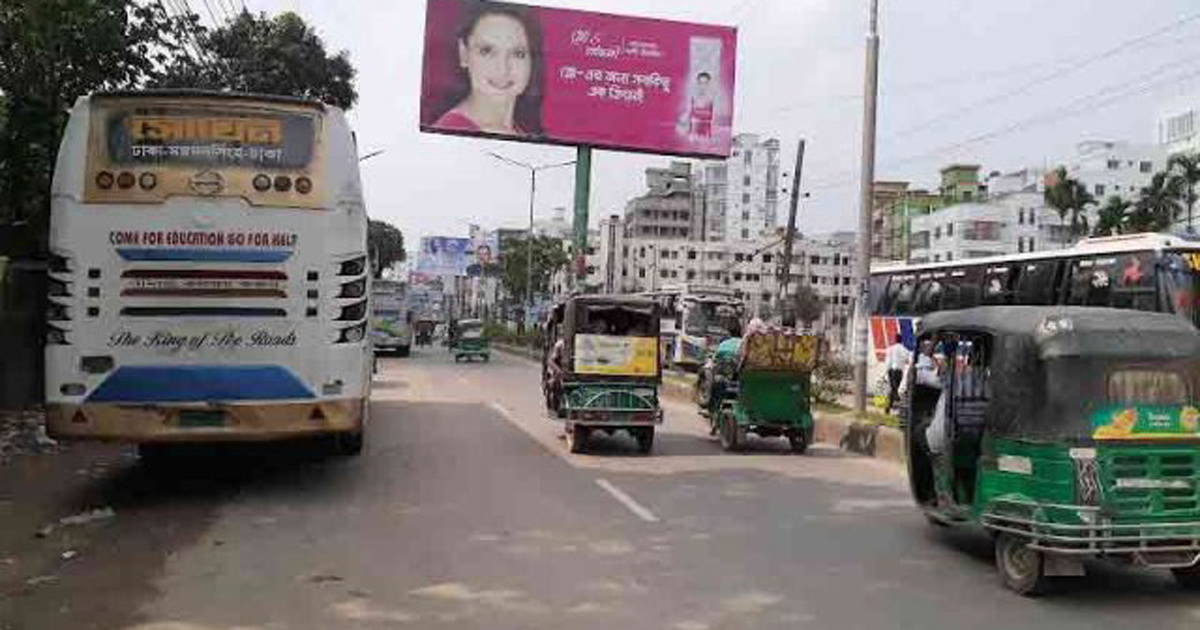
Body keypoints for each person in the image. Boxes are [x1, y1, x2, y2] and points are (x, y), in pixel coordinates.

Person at [433, 3, 543, 137]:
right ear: (464, 54)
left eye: (518, 53)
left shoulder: (523, 132)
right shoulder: (448, 132)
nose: (502, 69)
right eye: (487, 51)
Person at [884, 334, 910, 414]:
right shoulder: (905, 350)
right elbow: (907, 361)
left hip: (891, 371)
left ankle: (890, 406)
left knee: (893, 389)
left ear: (895, 339)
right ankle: (891, 404)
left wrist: (886, 372)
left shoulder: (890, 349)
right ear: (901, 340)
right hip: (899, 371)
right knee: (894, 389)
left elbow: (888, 361)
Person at [687, 72, 716, 139]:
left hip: (706, 133)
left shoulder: (712, 98)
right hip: (694, 132)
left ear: (709, 84)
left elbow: (713, 119)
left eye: (705, 83)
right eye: (700, 83)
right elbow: (690, 117)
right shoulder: (693, 97)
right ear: (697, 83)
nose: (703, 86)